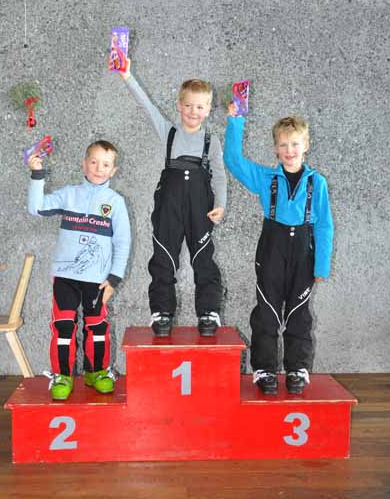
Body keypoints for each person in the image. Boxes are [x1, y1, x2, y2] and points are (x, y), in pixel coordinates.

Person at [224, 105, 333, 394]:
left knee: (299, 311)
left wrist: (321, 264)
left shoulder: (317, 183)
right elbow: (233, 161)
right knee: (267, 310)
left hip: (304, 252)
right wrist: (235, 121)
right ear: (275, 149)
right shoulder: (266, 178)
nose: (289, 150)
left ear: (306, 145)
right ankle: (264, 369)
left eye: (295, 144)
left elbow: (324, 226)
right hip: (272, 247)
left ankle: (298, 368)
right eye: (283, 145)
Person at [118, 59, 227, 337]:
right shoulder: (169, 132)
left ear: (208, 109)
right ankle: (161, 312)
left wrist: (220, 204)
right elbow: (146, 106)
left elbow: (219, 175)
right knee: (164, 256)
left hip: (200, 206)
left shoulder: (211, 142)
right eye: (188, 105)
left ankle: (209, 312)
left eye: (199, 107)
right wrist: (127, 75)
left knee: (203, 257)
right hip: (169, 203)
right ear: (179, 105)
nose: (193, 111)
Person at [27, 140, 131, 400]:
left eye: (105, 164)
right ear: (84, 165)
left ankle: (98, 372)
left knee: (97, 326)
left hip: (98, 280)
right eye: (93, 162)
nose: (98, 168)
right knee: (63, 326)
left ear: (113, 170)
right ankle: (62, 375)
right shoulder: (69, 194)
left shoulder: (116, 202)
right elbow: (36, 208)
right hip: (65, 277)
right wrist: (37, 174)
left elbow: (123, 242)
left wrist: (113, 280)